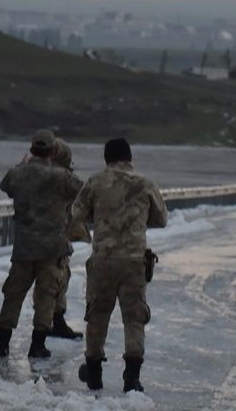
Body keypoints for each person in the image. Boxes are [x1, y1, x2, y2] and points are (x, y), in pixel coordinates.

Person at [70, 137, 168, 392]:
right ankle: (132, 378)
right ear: (129, 157)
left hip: (103, 261)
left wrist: (101, 216)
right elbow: (161, 219)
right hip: (134, 262)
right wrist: (137, 220)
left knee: (97, 315)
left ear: (107, 158)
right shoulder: (145, 183)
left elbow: (76, 213)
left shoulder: (95, 182)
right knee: (134, 318)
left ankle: (94, 373)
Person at [0, 129, 83, 358]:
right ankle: (37, 346)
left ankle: (2, 344)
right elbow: (82, 192)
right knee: (46, 297)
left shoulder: (18, 174)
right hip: (52, 249)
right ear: (53, 152)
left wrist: (21, 165)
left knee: (13, 295)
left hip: (24, 247)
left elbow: (5, 185)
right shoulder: (62, 177)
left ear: (32, 149)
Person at [47, 138, 88, 340]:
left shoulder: (36, 174)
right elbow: (83, 192)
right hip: (55, 238)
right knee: (58, 278)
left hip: (35, 238)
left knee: (49, 280)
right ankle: (53, 322)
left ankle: (49, 322)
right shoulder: (64, 179)